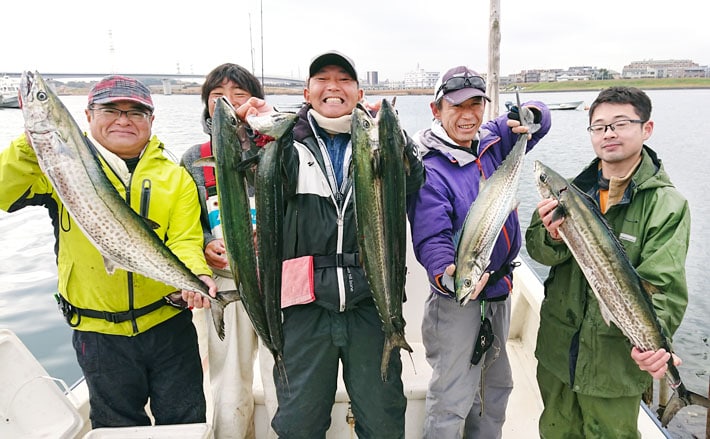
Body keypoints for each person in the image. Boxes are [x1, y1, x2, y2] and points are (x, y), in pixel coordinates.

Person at [188, 50, 426, 438]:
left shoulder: (379, 136)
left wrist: (395, 133)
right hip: (303, 305)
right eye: (322, 79)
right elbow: (244, 172)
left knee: (383, 420)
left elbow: (413, 183)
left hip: (371, 302)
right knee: (298, 423)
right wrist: (253, 127)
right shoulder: (284, 141)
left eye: (344, 79)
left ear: (360, 92)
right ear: (307, 91)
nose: (333, 86)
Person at [0, 75, 217, 428]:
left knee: (185, 422)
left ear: (151, 120)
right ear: (87, 115)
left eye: (136, 112)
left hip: (168, 326)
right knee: (117, 427)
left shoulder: (174, 177)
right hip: (98, 334)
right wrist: (29, 146)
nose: (123, 119)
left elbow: (185, 239)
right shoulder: (57, 163)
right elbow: (2, 192)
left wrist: (196, 276)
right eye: (111, 110)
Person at [526, 86, 690, 438]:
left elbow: (663, 287)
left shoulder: (667, 205)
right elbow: (538, 252)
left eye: (620, 123)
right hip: (557, 355)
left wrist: (654, 348)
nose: (609, 133)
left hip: (614, 368)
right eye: (599, 127)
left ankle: (679, 392)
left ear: (646, 128)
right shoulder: (570, 190)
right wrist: (553, 235)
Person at [405, 65, 551, 438]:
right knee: (452, 399)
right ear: (436, 110)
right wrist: (447, 273)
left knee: (495, 391)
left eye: (476, 105)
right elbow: (430, 235)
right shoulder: (429, 168)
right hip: (458, 303)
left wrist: (528, 115)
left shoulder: (493, 140)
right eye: (457, 106)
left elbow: (541, 120)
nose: (468, 115)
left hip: (500, 292)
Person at [179, 62, 273, 439]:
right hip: (223, 284)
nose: (230, 104)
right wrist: (205, 244)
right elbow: (185, 222)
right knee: (229, 383)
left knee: (284, 378)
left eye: (240, 96)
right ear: (206, 106)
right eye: (219, 97)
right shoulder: (192, 159)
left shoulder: (275, 149)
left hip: (276, 282)